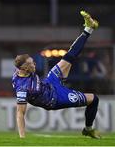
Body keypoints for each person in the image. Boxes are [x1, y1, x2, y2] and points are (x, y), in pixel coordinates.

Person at [12, 11, 101, 139]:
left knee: (69, 56)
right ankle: (88, 129)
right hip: (55, 98)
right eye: (31, 63)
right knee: (94, 99)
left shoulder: (20, 69)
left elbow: (17, 62)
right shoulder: (22, 88)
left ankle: (89, 28)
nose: (34, 64)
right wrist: (22, 138)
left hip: (49, 82)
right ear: (25, 68)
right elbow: (20, 114)